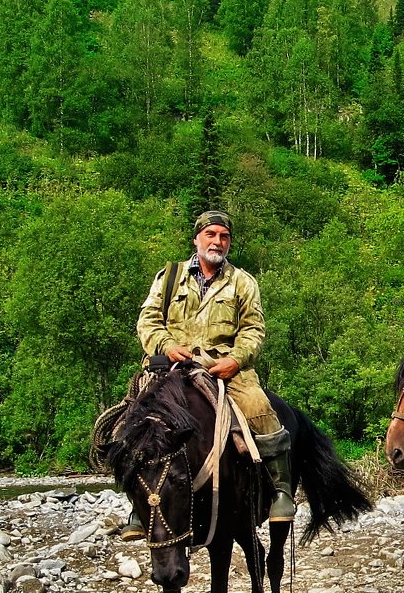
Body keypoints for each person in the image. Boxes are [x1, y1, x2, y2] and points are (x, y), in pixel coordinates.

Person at [119, 210, 295, 540]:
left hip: (224, 367)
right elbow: (147, 321)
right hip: (172, 367)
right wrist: (166, 344)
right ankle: (138, 505)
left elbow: (254, 329)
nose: (218, 241)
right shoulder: (169, 277)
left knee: (260, 407)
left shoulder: (243, 282)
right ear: (197, 239)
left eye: (224, 236)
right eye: (211, 234)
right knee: (134, 423)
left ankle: (281, 492)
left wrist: (237, 359)